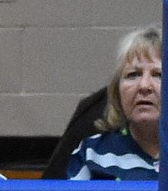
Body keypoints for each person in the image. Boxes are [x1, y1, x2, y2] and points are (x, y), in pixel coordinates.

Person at [66, 26, 162, 180]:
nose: (144, 86)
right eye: (133, 75)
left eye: (158, 75)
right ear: (117, 91)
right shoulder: (92, 154)